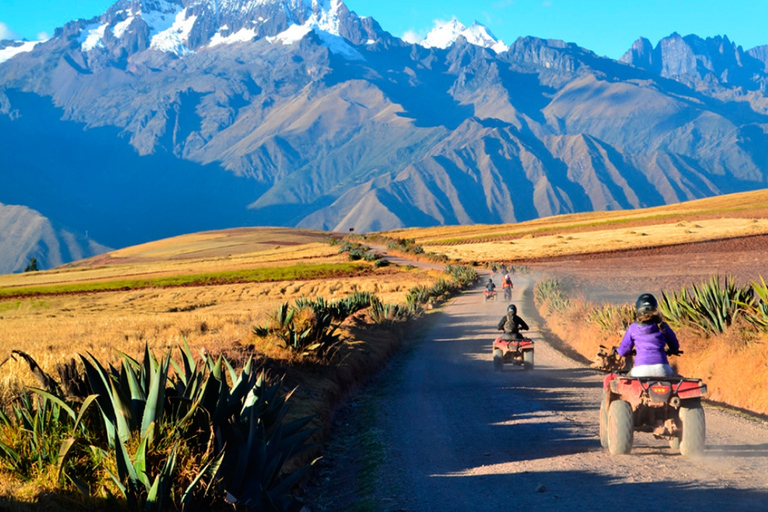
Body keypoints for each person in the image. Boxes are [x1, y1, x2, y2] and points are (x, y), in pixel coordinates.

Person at [617, 293, 680, 377]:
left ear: (638, 309)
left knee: (627, 379)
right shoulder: (662, 326)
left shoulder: (633, 328)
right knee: (675, 379)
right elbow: (675, 346)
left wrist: (621, 351)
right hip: (662, 369)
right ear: (655, 308)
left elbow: (623, 351)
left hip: (641, 370)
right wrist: (672, 350)